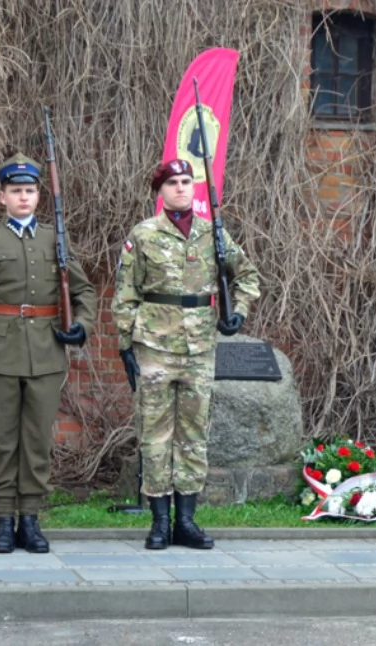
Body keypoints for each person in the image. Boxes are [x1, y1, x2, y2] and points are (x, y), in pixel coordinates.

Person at [112, 159, 261, 550]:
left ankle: (188, 521)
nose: (181, 188)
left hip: (199, 349)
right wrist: (126, 344)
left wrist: (238, 311)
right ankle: (160, 522)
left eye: (186, 181)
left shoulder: (213, 235)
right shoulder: (143, 235)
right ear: (159, 191)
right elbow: (126, 292)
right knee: (155, 436)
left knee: (194, 436)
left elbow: (247, 275)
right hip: (155, 347)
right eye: (173, 183)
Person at [0, 153, 96, 554]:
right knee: (2, 441)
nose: (23, 197)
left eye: (30, 190)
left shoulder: (57, 240)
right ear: (2, 196)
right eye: (15, 191)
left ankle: (30, 521)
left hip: (46, 353)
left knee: (36, 441)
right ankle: (3, 522)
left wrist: (81, 326)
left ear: (39, 195)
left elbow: (84, 292)